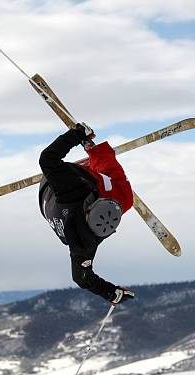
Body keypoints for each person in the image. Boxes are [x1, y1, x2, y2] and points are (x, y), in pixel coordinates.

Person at [38, 123, 135, 304]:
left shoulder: (74, 191)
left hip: (56, 184)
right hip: (50, 200)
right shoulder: (84, 245)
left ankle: (93, 158)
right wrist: (112, 294)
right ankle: (94, 160)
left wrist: (77, 135)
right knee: (124, 198)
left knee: (124, 197)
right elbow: (81, 278)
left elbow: (47, 160)